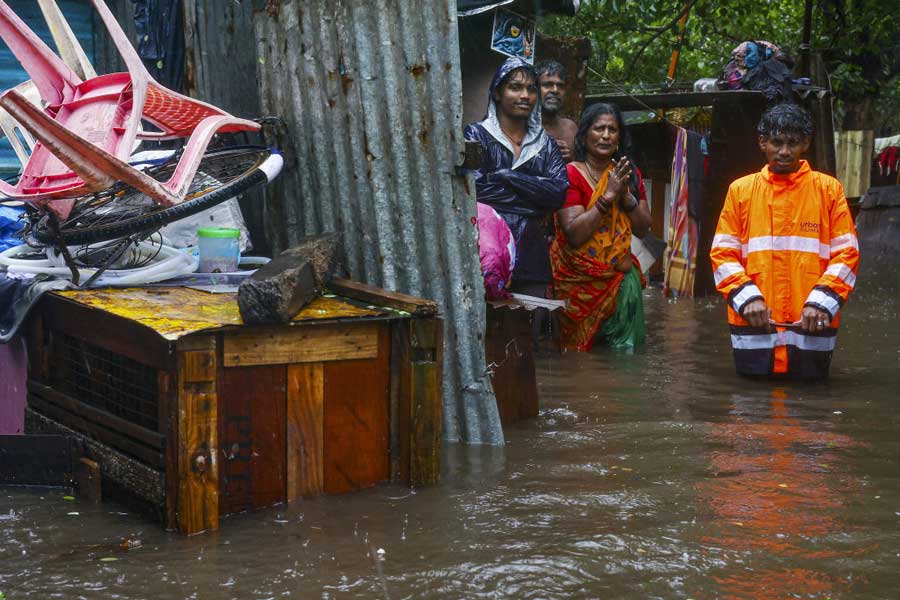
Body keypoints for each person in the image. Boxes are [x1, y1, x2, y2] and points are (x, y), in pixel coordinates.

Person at [710, 103, 859, 379]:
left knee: (810, 406)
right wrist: (748, 299)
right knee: (752, 409)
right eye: (777, 142)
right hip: (754, 322)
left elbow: (847, 254)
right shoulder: (740, 190)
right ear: (762, 143)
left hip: (813, 321)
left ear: (805, 144)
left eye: (792, 143)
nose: (784, 152)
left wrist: (820, 303)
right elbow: (722, 253)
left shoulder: (829, 190)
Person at [550, 102, 652, 351]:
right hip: (577, 285)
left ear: (619, 138)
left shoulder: (628, 173)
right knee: (577, 361)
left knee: (623, 361)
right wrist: (607, 196)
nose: (606, 135)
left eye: (612, 129)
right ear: (584, 135)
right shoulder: (570, 174)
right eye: (599, 129)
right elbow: (574, 234)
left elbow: (644, 228)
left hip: (621, 283)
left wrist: (626, 196)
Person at [465, 57, 568, 298]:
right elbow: (475, 189)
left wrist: (506, 177)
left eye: (531, 89)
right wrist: (534, 200)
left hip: (532, 252)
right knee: (488, 326)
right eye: (515, 87)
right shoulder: (476, 134)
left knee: (529, 327)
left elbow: (558, 193)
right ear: (498, 93)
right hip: (486, 251)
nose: (525, 95)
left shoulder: (545, 144)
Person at [535, 60, 577, 163]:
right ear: (534, 88)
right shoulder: (520, 126)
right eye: (547, 85)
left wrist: (569, 160)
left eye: (560, 86)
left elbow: (580, 170)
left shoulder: (571, 128)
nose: (555, 90)